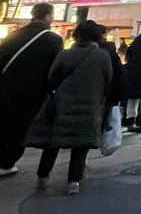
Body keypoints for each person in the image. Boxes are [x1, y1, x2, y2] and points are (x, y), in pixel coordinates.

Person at [27, 19, 112, 196]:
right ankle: (73, 182)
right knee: (81, 145)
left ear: (77, 35)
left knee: (53, 142)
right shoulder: (103, 57)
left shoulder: (65, 54)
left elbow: (52, 78)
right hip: (89, 106)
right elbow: (108, 81)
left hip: (62, 105)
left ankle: (43, 177)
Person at [0, 3, 63, 178]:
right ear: (48, 16)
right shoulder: (53, 40)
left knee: (3, 123)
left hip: (4, 89)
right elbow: (55, 70)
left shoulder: (14, 34)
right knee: (19, 129)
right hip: (31, 94)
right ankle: (6, 163)